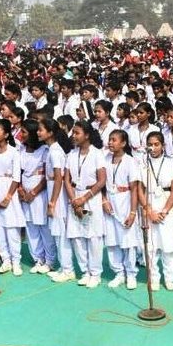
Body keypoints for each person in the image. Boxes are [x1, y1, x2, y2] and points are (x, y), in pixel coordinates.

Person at [64, 120, 106, 288]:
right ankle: (85, 271)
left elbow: (101, 180)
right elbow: (67, 180)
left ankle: (95, 273)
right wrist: (74, 200)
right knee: (77, 237)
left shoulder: (97, 154)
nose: (73, 136)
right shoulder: (71, 154)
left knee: (93, 237)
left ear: (87, 135)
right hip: (75, 196)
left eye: (77, 133)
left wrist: (84, 198)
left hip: (91, 197)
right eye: (73, 132)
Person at [137, 132, 173, 290]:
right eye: (150, 144)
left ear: (163, 145)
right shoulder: (143, 164)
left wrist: (165, 211)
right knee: (150, 247)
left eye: (156, 144)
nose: (153, 148)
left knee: (169, 245)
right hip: (149, 204)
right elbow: (140, 189)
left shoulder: (171, 164)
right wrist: (149, 211)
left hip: (166, 205)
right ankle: (153, 278)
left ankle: (169, 279)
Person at [37, 119, 75, 283]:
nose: (38, 133)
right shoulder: (51, 150)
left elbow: (59, 177)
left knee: (61, 233)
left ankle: (68, 269)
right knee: (57, 232)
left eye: (41, 130)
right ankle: (63, 266)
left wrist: (52, 202)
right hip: (53, 189)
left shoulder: (55, 152)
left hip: (57, 194)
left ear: (50, 132)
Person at [102, 129, 140, 289]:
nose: (110, 142)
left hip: (125, 201)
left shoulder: (130, 161)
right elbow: (101, 182)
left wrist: (132, 212)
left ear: (123, 143)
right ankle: (118, 272)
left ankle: (131, 273)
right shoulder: (105, 159)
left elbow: (134, 188)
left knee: (127, 240)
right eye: (109, 139)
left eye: (114, 140)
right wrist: (104, 200)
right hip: (109, 201)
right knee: (112, 240)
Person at [0, 119, 25, 276]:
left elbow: (16, 177)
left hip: (9, 189)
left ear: (6, 134)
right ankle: (5, 260)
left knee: (11, 228)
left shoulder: (13, 152)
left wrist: (8, 197)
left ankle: (16, 262)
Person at [19, 119, 56, 275]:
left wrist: (33, 192)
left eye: (24, 132)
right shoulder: (20, 149)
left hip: (39, 194)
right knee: (30, 228)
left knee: (44, 228)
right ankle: (38, 259)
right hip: (24, 193)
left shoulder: (44, 150)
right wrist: (21, 190)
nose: (21, 135)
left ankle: (50, 260)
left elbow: (47, 176)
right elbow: (18, 172)